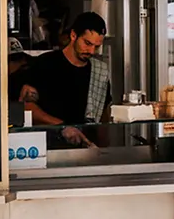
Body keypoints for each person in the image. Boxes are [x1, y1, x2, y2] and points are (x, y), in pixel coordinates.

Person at [19, 12, 111, 146]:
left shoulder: (99, 71)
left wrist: (103, 150)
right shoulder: (45, 64)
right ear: (73, 35)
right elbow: (26, 108)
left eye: (96, 46)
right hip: (47, 148)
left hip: (86, 149)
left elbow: (104, 115)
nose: (91, 51)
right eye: (87, 43)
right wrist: (63, 127)